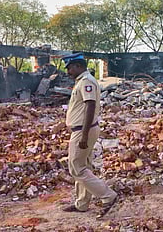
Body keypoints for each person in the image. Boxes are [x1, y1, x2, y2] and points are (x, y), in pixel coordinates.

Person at [61, 53, 118, 218]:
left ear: (78, 66)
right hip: (82, 130)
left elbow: (90, 106)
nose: (68, 72)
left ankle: (109, 196)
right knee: (84, 165)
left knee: (76, 168)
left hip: (83, 131)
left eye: (70, 68)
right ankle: (82, 203)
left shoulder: (86, 82)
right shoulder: (82, 81)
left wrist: (84, 135)